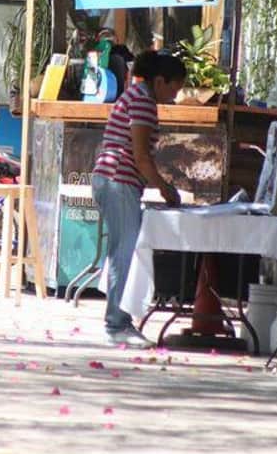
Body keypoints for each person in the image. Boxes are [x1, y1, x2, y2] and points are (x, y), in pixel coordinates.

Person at [92, 50, 185, 348]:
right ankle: (117, 324)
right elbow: (141, 156)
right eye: (174, 88)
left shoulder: (135, 96)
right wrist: (164, 188)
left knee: (122, 250)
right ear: (160, 81)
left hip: (112, 177)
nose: (174, 95)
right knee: (125, 252)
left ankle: (118, 320)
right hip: (119, 179)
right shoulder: (143, 101)